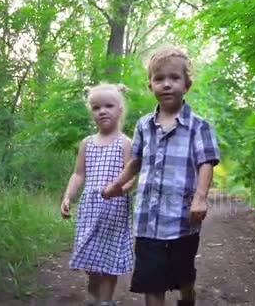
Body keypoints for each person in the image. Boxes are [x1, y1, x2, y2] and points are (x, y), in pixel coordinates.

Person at [102, 45, 220, 306]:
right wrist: (117, 184)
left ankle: (188, 295)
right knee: (152, 283)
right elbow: (135, 162)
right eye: (159, 79)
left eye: (174, 78)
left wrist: (200, 198)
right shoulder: (144, 125)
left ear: (186, 85)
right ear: (150, 85)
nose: (166, 84)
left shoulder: (198, 126)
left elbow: (206, 163)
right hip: (148, 222)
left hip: (182, 221)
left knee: (183, 278)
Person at [60, 83, 135, 306]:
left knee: (110, 257)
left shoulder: (126, 143)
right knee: (89, 255)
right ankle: (94, 290)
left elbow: (130, 175)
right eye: (96, 107)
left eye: (108, 106)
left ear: (120, 110)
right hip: (90, 208)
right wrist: (67, 197)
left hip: (115, 208)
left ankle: (106, 300)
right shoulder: (87, 144)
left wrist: (121, 188)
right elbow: (78, 174)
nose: (102, 111)